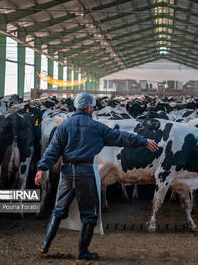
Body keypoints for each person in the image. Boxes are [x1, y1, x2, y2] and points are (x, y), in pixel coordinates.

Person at [34, 93, 158, 260]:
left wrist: (41, 169)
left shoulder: (64, 126)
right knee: (89, 215)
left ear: (76, 107)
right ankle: (83, 251)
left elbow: (52, 151)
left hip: (68, 173)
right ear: (89, 108)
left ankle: (44, 245)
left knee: (59, 210)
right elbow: (120, 137)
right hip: (85, 173)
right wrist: (143, 141)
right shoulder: (96, 127)